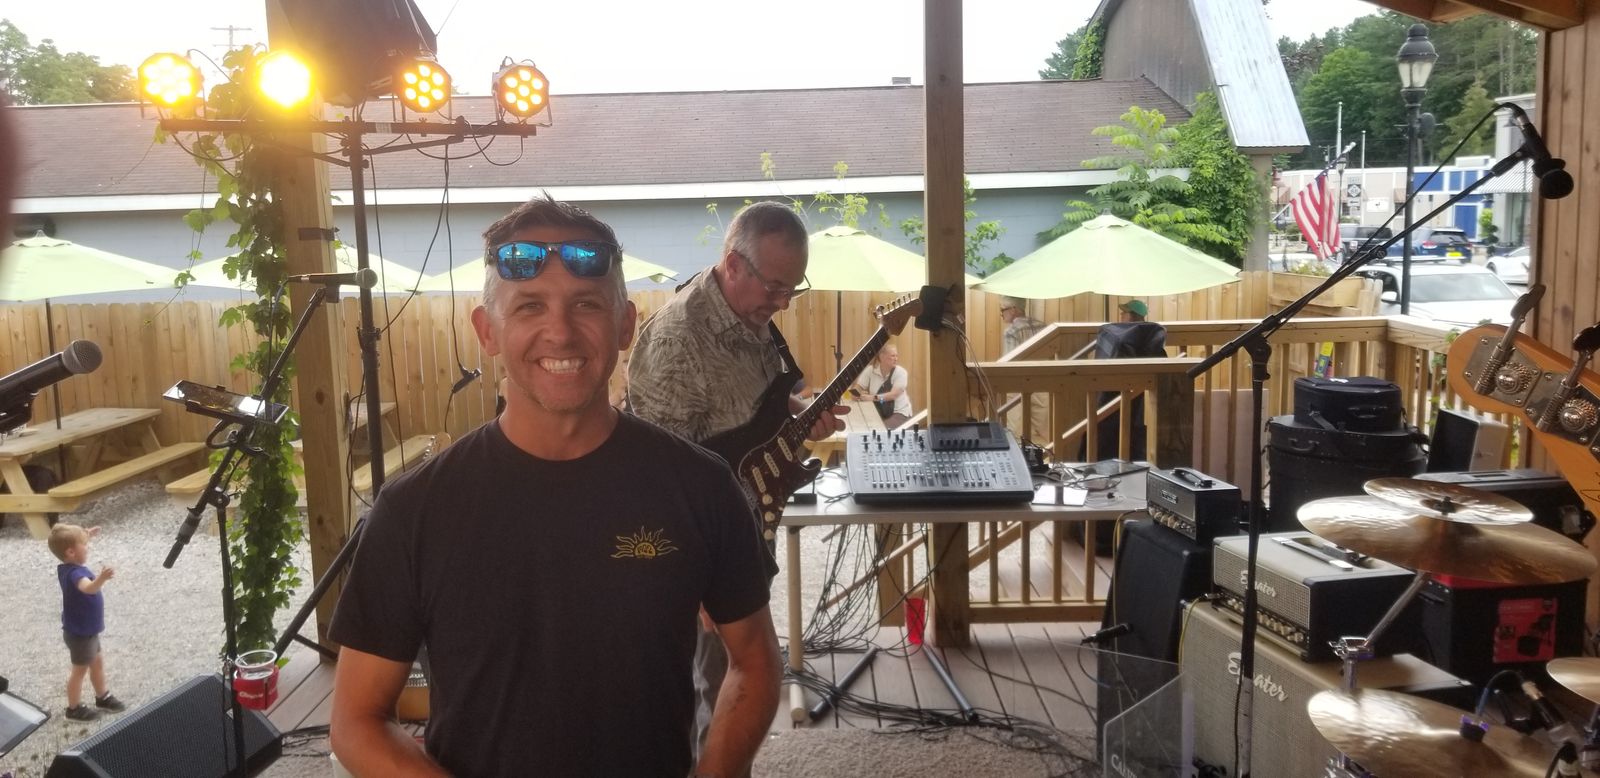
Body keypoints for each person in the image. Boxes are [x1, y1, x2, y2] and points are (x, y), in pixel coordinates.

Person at [328, 195, 782, 777]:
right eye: (529, 306)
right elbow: (356, 721)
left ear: (625, 325)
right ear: (487, 330)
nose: (560, 332)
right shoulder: (414, 511)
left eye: (586, 304)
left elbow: (755, 661)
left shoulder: (700, 487)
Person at [627, 200, 844, 762]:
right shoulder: (677, 340)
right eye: (774, 286)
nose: (782, 302)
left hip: (745, 523)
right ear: (732, 264)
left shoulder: (752, 315)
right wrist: (697, 570)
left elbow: (752, 409)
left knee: (735, 685)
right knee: (714, 690)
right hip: (700, 546)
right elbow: (657, 471)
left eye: (793, 289)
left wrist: (800, 413)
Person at [48, 524, 125, 722]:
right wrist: (102, 578)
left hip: (87, 631)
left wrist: (86, 535)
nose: (88, 547)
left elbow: (74, 546)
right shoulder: (75, 574)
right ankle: (73, 709)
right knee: (79, 671)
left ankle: (102, 696)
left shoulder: (68, 566)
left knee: (97, 663)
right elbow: (89, 588)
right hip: (81, 634)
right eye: (84, 544)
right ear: (71, 552)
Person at [998, 296, 1049, 443]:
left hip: (1019, 384)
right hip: (1044, 383)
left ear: (1013, 310)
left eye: (1002, 310)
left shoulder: (1012, 331)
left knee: (1016, 431)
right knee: (1044, 431)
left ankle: (1021, 453)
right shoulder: (1044, 327)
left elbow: (1009, 363)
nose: (1001, 314)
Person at [854, 343, 913, 429]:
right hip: (880, 412)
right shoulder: (870, 370)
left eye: (896, 356)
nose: (896, 359)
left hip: (899, 413)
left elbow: (893, 395)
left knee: (881, 429)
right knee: (860, 426)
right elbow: (858, 387)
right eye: (892, 356)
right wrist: (856, 395)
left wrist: (872, 398)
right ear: (881, 357)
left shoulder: (901, 372)